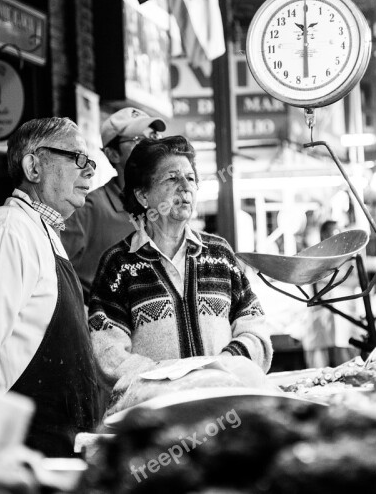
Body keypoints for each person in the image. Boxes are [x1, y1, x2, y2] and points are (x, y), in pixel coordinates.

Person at [0, 117, 100, 457]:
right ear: (33, 166)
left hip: (57, 449)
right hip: (22, 454)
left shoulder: (44, 233)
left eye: (91, 162)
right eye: (77, 158)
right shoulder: (9, 231)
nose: (89, 171)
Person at [88, 136, 273, 388]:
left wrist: (225, 365)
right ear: (143, 195)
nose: (185, 187)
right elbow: (107, 353)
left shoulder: (220, 254)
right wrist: (174, 379)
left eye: (191, 178)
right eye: (172, 178)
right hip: (157, 417)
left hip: (224, 403)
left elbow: (255, 328)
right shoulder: (118, 265)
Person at [63, 107, 166, 299]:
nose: (153, 146)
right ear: (112, 154)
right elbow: (48, 273)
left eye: (154, 136)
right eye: (139, 140)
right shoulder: (87, 211)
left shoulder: (166, 207)